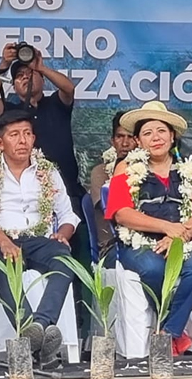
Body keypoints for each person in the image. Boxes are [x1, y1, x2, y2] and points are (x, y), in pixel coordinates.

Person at [0, 109, 80, 367]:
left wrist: (63, 234)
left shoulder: (48, 171)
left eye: (28, 134)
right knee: (6, 265)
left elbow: (68, 214)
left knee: (64, 259)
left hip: (39, 240)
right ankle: (39, 345)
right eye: (15, 135)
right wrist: (5, 243)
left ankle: (38, 326)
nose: (23, 141)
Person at [105, 101, 192, 356]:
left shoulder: (190, 171)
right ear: (139, 141)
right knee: (153, 268)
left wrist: (180, 234)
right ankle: (174, 330)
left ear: (172, 135)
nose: (156, 138)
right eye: (148, 133)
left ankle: (168, 333)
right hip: (139, 242)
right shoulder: (126, 169)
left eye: (161, 131)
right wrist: (167, 228)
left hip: (181, 240)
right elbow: (122, 213)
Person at [0, 44, 82, 211]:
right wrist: (3, 65)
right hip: (24, 194)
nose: (25, 78)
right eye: (19, 76)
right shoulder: (10, 112)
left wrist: (40, 67)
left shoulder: (56, 103)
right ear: (13, 86)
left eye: (30, 74)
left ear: (43, 80)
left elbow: (69, 88)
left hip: (66, 189)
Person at [88, 111, 136, 266]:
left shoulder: (148, 171)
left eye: (130, 137)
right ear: (112, 141)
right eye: (120, 137)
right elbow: (112, 213)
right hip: (112, 246)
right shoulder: (100, 172)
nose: (125, 143)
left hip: (146, 243)